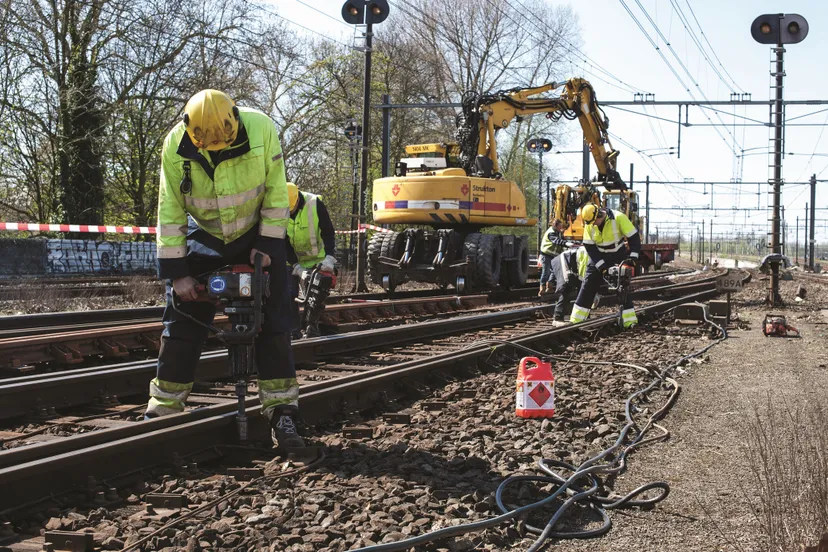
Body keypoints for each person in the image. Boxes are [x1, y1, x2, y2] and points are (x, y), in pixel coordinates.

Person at [148, 89, 304, 449]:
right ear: (191, 132)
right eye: (208, 145)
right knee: (181, 323)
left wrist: (267, 245)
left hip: (257, 234)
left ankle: (283, 413)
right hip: (207, 236)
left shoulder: (262, 129)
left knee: (274, 323)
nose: (216, 148)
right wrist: (178, 273)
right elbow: (169, 212)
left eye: (223, 141)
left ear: (235, 119)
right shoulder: (174, 146)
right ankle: (164, 408)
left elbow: (277, 193)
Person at [569, 205, 640, 328]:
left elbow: (634, 238)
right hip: (598, 255)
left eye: (595, 222)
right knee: (587, 285)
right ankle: (576, 321)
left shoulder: (619, 218)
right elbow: (589, 247)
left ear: (600, 215)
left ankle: (629, 322)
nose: (594, 225)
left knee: (622, 288)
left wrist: (632, 259)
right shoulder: (589, 223)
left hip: (617, 255)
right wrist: (601, 267)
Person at [286, 183, 337, 338]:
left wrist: (329, 258)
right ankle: (293, 331)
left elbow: (328, 232)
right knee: (288, 293)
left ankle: (311, 326)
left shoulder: (314, 204)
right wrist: (296, 266)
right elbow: (282, 241)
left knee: (316, 293)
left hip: (318, 259)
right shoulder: (278, 208)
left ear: (296, 201)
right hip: (293, 260)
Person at [549, 246, 588, 324]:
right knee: (567, 289)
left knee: (579, 291)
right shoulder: (590, 257)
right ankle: (558, 318)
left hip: (569, 263)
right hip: (565, 261)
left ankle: (582, 315)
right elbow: (584, 274)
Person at [538, 219, 570, 296]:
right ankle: (542, 289)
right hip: (546, 255)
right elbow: (557, 241)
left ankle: (549, 287)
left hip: (553, 255)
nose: (561, 228)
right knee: (546, 272)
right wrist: (568, 244)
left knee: (554, 271)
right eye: (560, 226)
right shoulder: (551, 233)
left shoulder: (557, 232)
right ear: (555, 226)